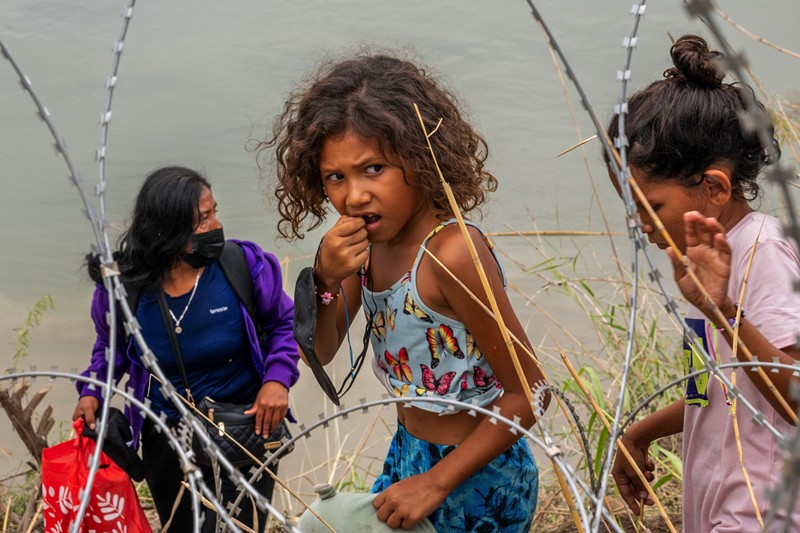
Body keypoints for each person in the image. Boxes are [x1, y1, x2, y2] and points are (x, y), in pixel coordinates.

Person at [260, 51, 549, 532]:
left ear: (421, 157)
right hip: (409, 453)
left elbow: (531, 393)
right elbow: (321, 352)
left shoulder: (452, 254)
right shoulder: (367, 248)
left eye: (373, 168)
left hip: (479, 474)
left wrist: (436, 482)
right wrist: (327, 280)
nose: (353, 196)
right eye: (336, 177)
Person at [607, 35, 800, 531]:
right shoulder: (708, 260)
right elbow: (719, 386)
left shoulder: (761, 252)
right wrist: (640, 433)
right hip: (718, 503)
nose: (639, 224)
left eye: (650, 206)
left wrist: (722, 311)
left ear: (713, 188)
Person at [72, 166, 299, 532]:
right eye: (203, 218)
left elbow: (284, 326)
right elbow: (109, 348)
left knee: (243, 527)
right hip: (167, 436)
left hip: (243, 427)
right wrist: (92, 392)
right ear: (168, 231)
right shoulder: (124, 290)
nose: (216, 225)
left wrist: (277, 380)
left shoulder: (244, 265)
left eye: (213, 212)